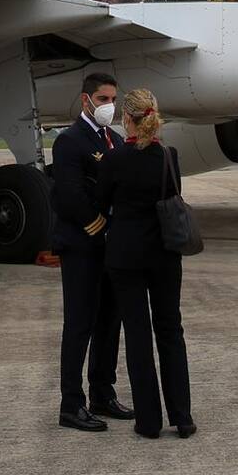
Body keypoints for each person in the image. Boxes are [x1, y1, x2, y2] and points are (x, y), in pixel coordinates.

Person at [95, 88, 195, 440]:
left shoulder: (113, 160)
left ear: (126, 118)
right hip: (165, 254)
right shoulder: (169, 156)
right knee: (170, 331)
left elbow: (101, 201)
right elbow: (172, 194)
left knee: (138, 336)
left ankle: (149, 422)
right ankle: (182, 417)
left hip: (126, 256)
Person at [50, 72, 134, 431]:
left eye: (113, 99)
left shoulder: (114, 140)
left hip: (109, 248)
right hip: (82, 245)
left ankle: (102, 393)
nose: (109, 106)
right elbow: (70, 195)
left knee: (108, 322)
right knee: (79, 323)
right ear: (86, 100)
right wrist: (100, 225)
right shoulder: (69, 141)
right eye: (103, 99)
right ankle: (71, 404)